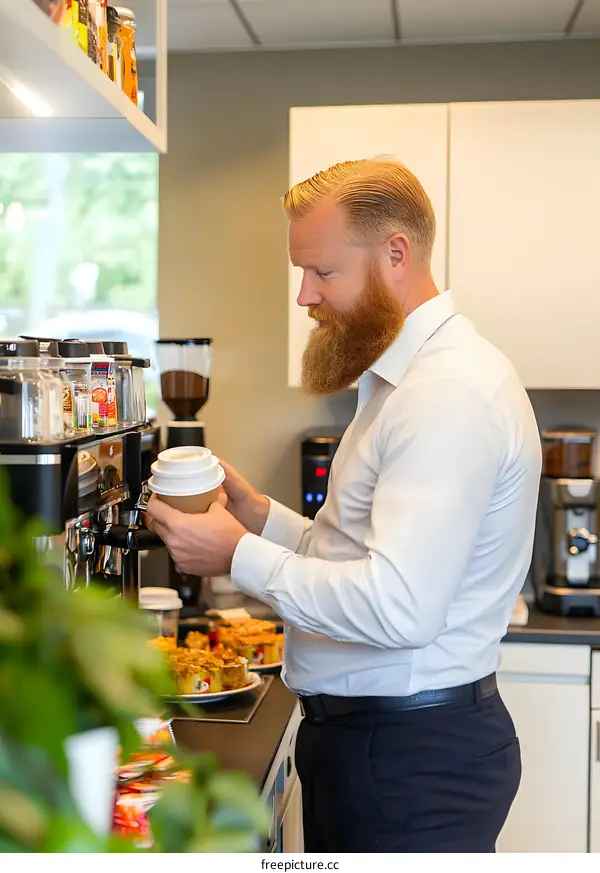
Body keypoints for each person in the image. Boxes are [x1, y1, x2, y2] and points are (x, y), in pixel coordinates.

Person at [146, 158, 542, 853]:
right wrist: (258, 516)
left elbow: (397, 604)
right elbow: (359, 555)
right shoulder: (402, 381)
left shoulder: (445, 394)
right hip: (382, 747)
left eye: (323, 272)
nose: (305, 295)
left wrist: (235, 554)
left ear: (396, 253)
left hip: (407, 761)